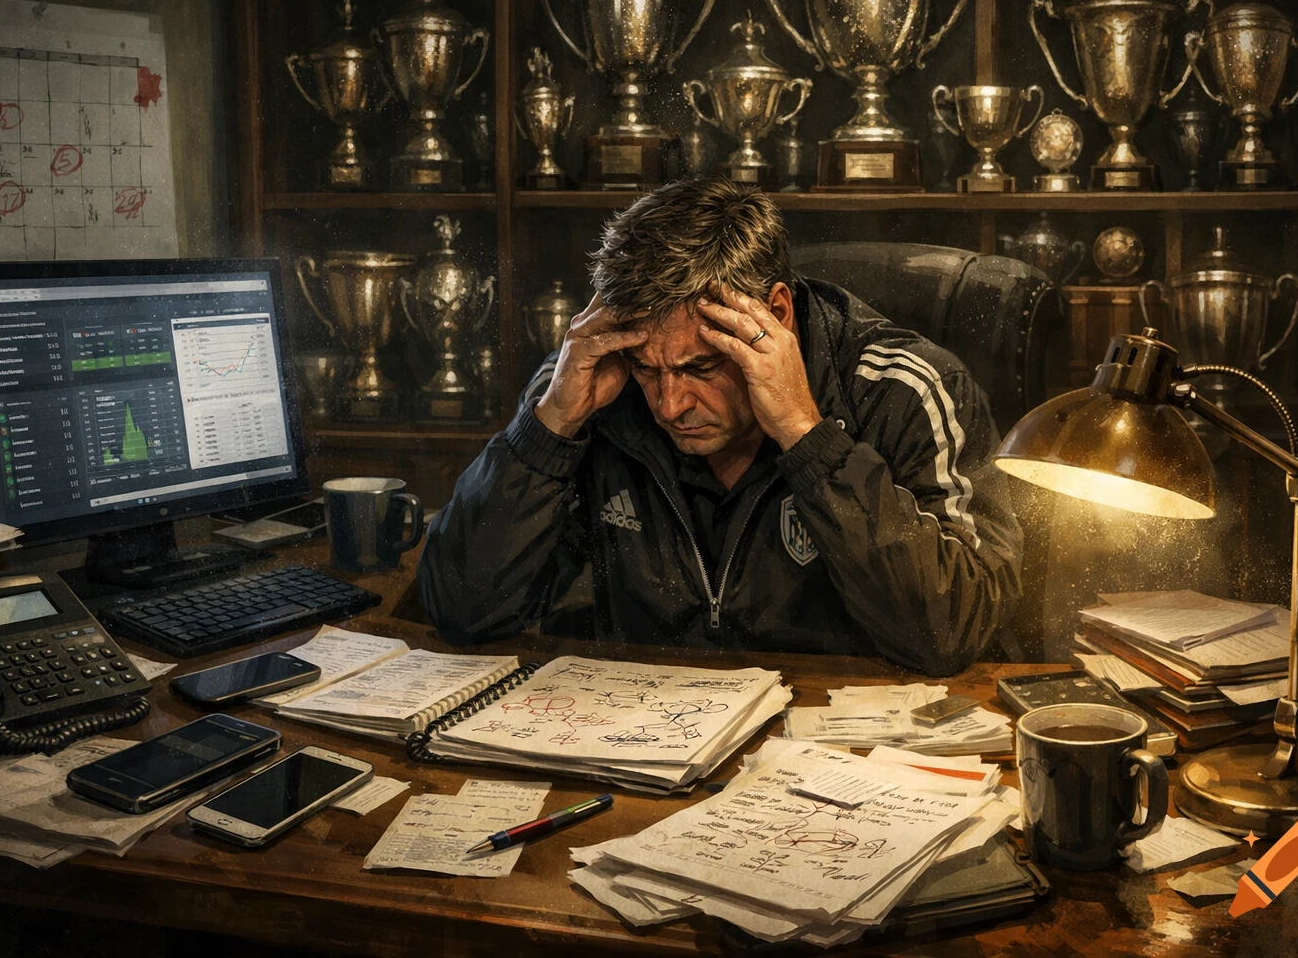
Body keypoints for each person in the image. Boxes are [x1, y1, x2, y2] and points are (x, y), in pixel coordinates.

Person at [416, 176, 1022, 675]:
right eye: (647, 369)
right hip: (644, 734)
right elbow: (459, 610)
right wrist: (548, 429)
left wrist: (808, 437)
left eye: (701, 367)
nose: (669, 405)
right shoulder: (588, 382)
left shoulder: (903, 389)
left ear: (775, 314)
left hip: (837, 754)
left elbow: (952, 632)